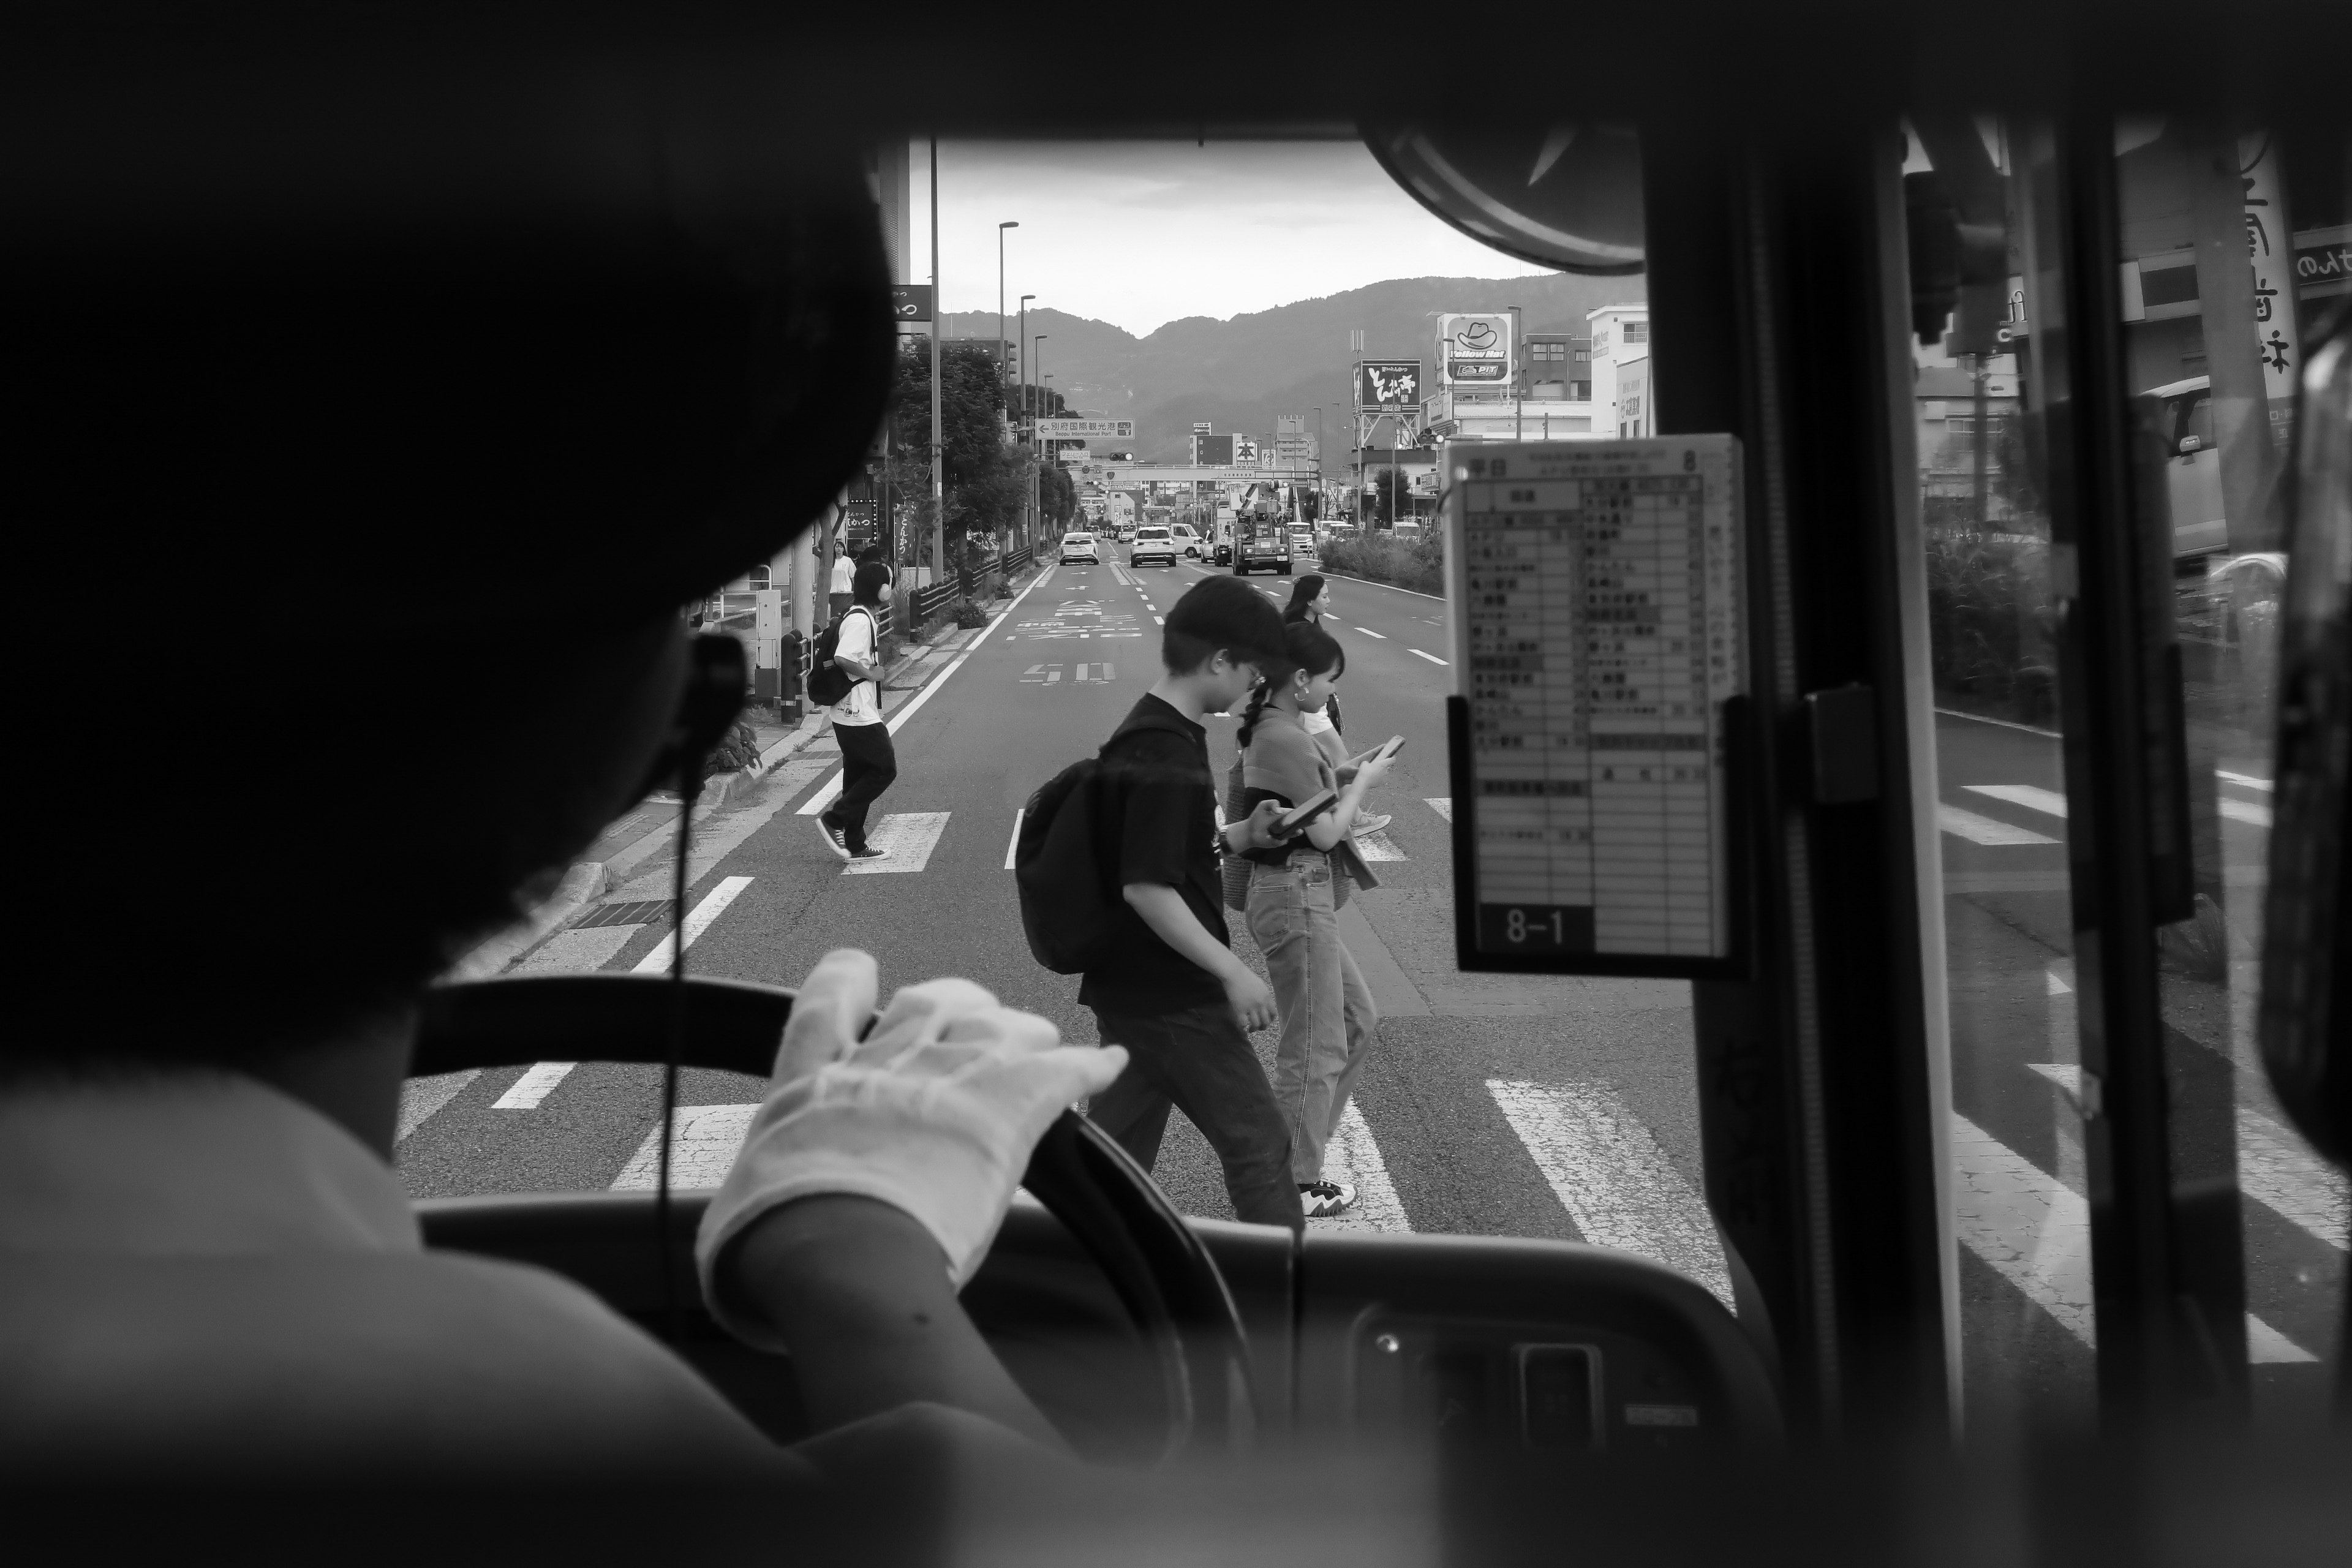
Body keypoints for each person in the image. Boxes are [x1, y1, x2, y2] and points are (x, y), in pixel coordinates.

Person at [1077, 577, 1308, 1234]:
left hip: (1131, 990)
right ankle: (1279, 1298)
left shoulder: (1150, 734)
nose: (1250, 689)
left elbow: (1160, 853)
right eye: (1251, 672)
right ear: (1218, 660)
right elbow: (1146, 886)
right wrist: (1233, 973)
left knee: (1112, 1163)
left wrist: (1239, 835)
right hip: (1176, 996)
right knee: (1261, 1146)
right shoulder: (1165, 752)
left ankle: (1088, 1284)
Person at [1234, 621, 1396, 1218]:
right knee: (1314, 1045)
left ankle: (1294, 1161)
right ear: (1301, 679)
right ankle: (1292, 1184)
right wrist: (1365, 787)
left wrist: (1347, 776)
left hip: (1299, 891)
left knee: (1356, 1020)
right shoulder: (1283, 737)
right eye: (1328, 682)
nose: (1329, 695)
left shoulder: (1277, 730)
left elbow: (1310, 803)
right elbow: (1327, 830)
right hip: (1295, 892)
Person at [1283, 575, 1390, 837]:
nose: (1329, 601)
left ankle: (1340, 815)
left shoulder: (1304, 626)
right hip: (1307, 705)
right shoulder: (1301, 630)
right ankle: (1354, 818)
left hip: (1306, 703)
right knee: (1338, 758)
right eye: (1324, 596)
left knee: (1326, 760)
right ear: (1309, 600)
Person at [817, 560, 897, 862]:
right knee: (884, 769)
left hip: (848, 710)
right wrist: (872, 673)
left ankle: (854, 842)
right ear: (882, 590)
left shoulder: (858, 615)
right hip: (856, 712)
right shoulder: (861, 621)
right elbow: (842, 658)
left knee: (858, 775)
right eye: (889, 582)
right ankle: (835, 819)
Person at [828, 541, 856, 622]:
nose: (839, 549)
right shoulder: (831, 560)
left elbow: (853, 575)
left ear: (844, 549)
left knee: (845, 612)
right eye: (837, 547)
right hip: (833, 591)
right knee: (835, 613)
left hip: (845, 590)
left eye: (840, 547)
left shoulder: (848, 560)